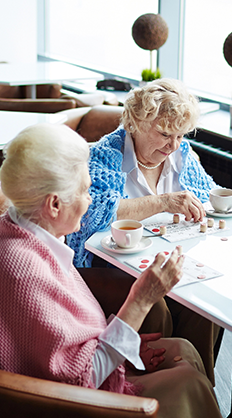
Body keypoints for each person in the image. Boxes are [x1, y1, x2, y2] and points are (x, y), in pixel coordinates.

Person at [0, 124, 232, 418]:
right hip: (55, 415)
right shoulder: (21, 269)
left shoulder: (19, 230)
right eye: (86, 191)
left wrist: (126, 347)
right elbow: (82, 379)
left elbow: (60, 331)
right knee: (189, 383)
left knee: (182, 350)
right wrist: (140, 299)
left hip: (66, 379)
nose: (91, 202)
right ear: (55, 204)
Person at [66, 78, 221, 383]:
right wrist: (163, 202)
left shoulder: (181, 154)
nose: (173, 145)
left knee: (205, 303)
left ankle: (197, 385)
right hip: (112, 267)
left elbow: (209, 195)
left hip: (168, 258)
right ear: (135, 123)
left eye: (179, 135)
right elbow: (93, 211)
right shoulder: (105, 155)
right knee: (157, 307)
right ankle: (143, 385)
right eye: (165, 134)